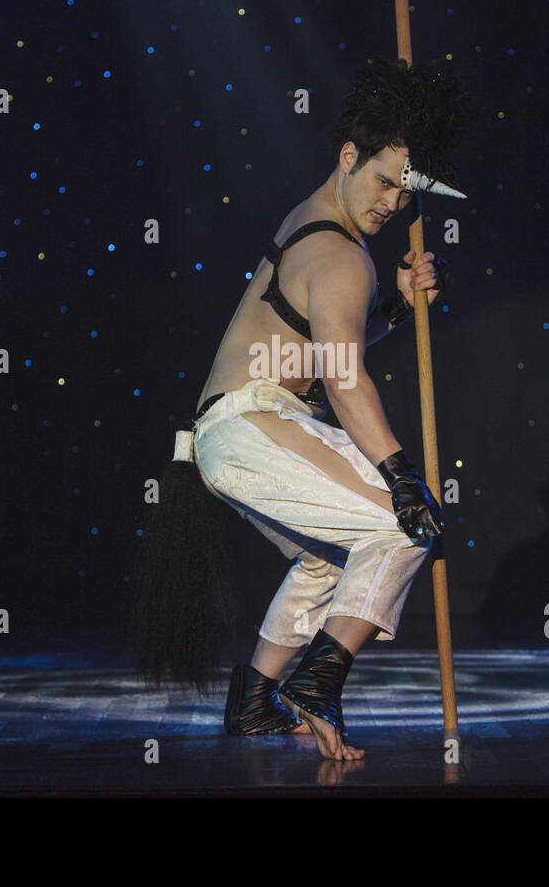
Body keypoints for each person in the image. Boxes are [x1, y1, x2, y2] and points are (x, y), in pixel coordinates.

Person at [131, 58, 476, 760]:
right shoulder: (339, 252)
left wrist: (395, 308)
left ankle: (258, 699)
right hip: (251, 426)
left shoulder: (314, 225)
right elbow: (344, 379)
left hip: (233, 433)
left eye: (407, 192)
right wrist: (403, 478)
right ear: (348, 156)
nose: (392, 204)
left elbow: (322, 345)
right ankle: (317, 684)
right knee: (402, 526)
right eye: (383, 181)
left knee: (326, 561)